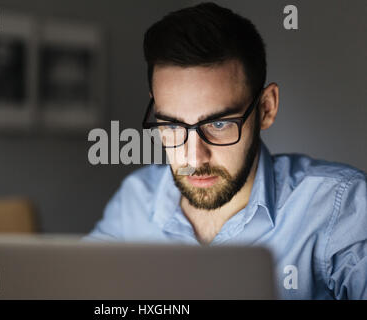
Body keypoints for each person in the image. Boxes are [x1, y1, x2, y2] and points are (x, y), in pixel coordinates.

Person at [85, 2, 367, 299]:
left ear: (266, 109)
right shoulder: (135, 199)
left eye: (218, 124)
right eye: (172, 125)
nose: (194, 157)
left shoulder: (341, 209)